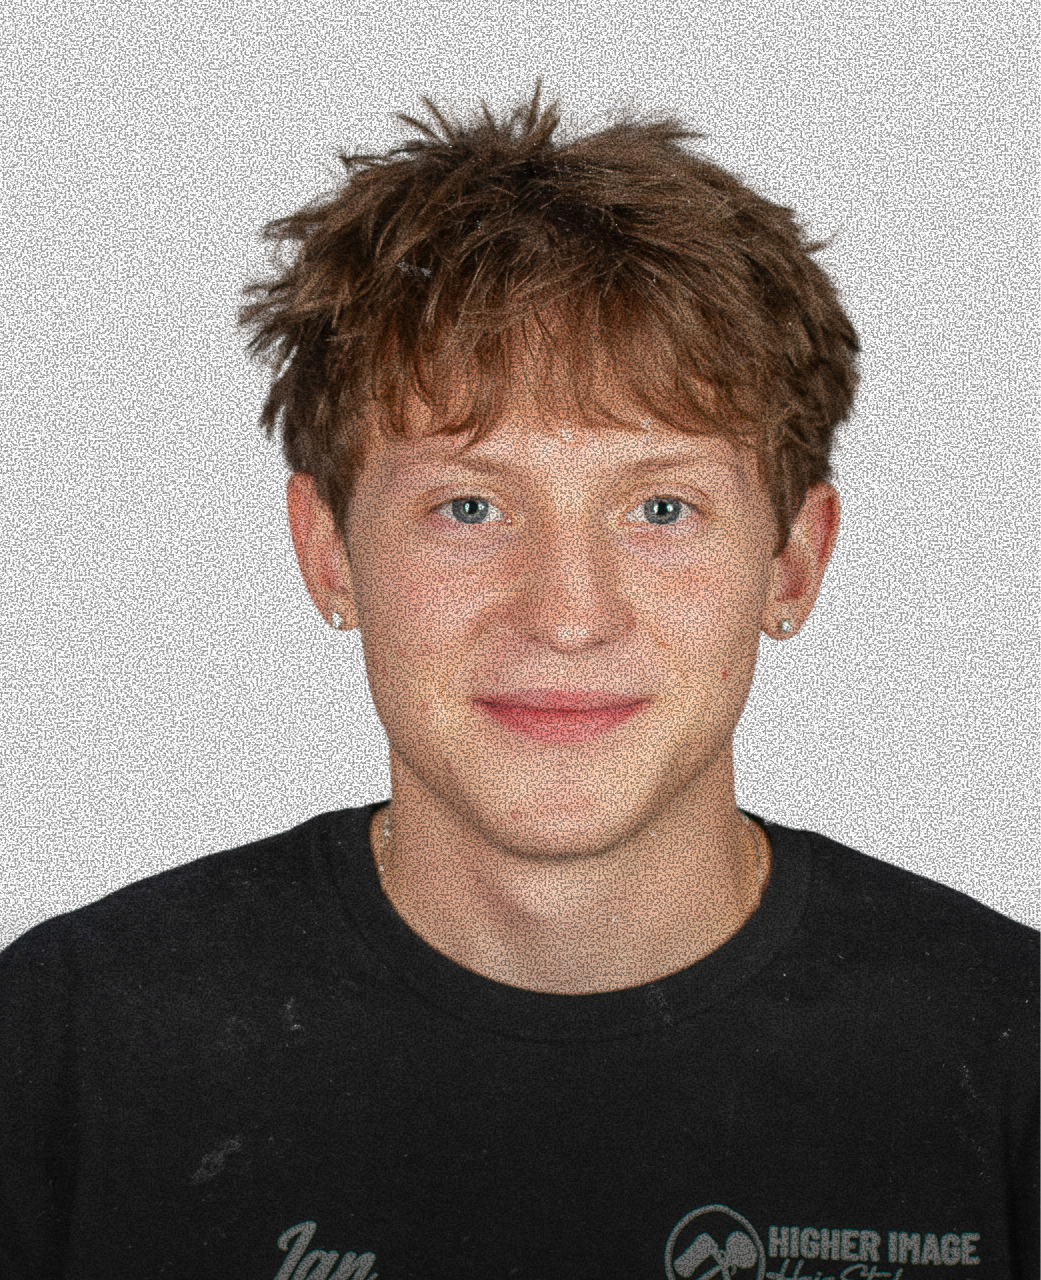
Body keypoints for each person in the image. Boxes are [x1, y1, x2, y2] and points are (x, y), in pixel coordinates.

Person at [1, 82, 1038, 1280]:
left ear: (792, 560)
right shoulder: (72, 1050)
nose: (568, 613)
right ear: (328, 550)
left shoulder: (1010, 1056)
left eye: (661, 506)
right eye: (470, 505)